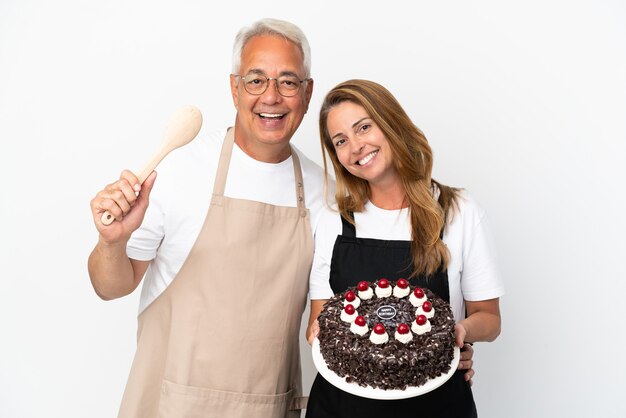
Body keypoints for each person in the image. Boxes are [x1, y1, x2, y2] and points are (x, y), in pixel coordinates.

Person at [88, 18, 324, 418]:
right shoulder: (180, 168)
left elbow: (324, 322)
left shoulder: (323, 193)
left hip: (266, 407)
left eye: (288, 82)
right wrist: (112, 242)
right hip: (169, 405)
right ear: (234, 88)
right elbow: (111, 287)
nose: (272, 97)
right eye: (255, 80)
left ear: (307, 92)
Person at [305, 79, 504, 418]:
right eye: (341, 141)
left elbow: (489, 318)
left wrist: (458, 336)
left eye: (363, 127)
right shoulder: (333, 219)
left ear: (391, 123)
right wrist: (317, 332)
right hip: (342, 406)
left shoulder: (459, 212)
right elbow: (320, 321)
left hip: (438, 405)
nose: (355, 146)